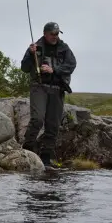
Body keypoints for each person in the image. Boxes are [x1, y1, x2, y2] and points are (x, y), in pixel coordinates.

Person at [20, 21, 77, 167]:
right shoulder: (35, 47)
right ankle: (27, 150)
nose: (55, 36)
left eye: (57, 34)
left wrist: (54, 70)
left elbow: (71, 65)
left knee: (53, 125)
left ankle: (45, 159)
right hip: (39, 87)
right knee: (37, 119)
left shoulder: (64, 48)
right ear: (45, 34)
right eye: (52, 34)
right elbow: (24, 68)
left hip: (57, 89)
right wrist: (30, 54)